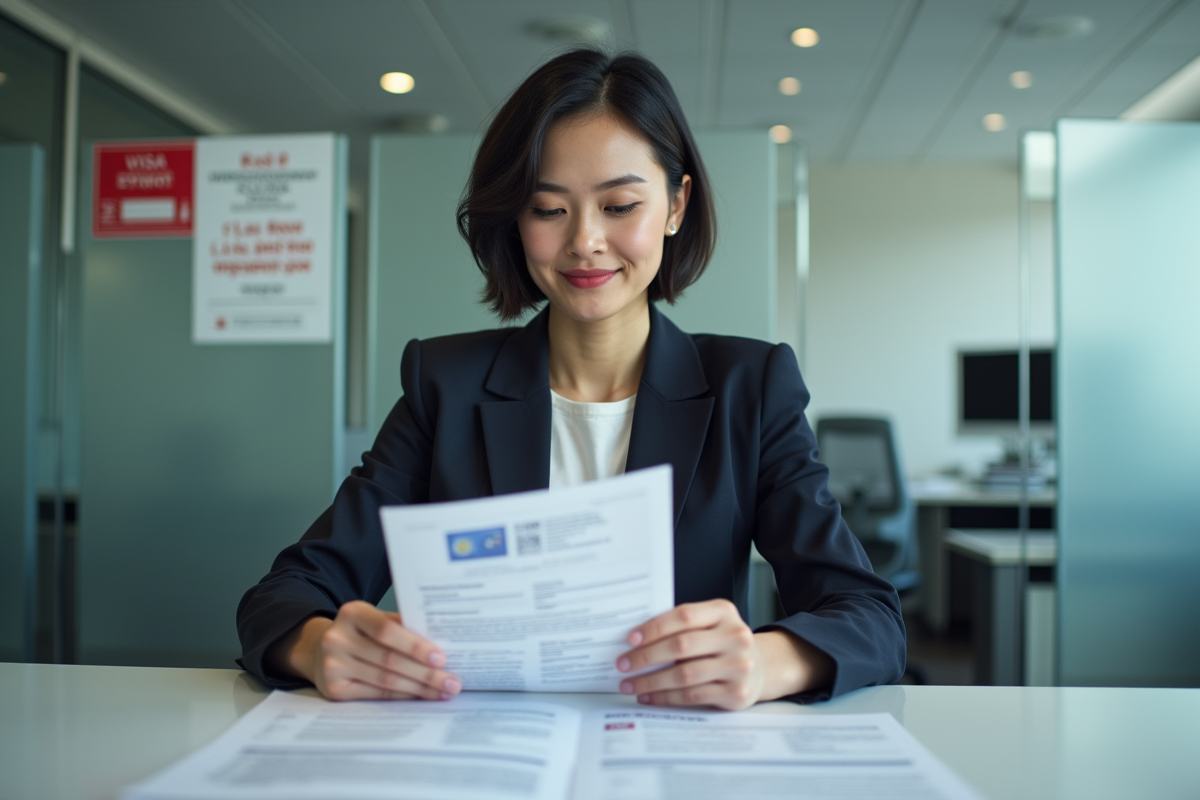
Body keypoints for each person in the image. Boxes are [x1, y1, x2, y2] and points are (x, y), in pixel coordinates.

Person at [237, 48, 905, 710]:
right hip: (487, 757)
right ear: (516, 219)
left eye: (619, 206)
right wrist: (319, 645)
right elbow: (284, 595)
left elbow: (870, 616)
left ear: (676, 205)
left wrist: (765, 662)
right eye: (549, 209)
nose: (584, 241)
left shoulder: (749, 387)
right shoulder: (445, 386)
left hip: (674, 760)